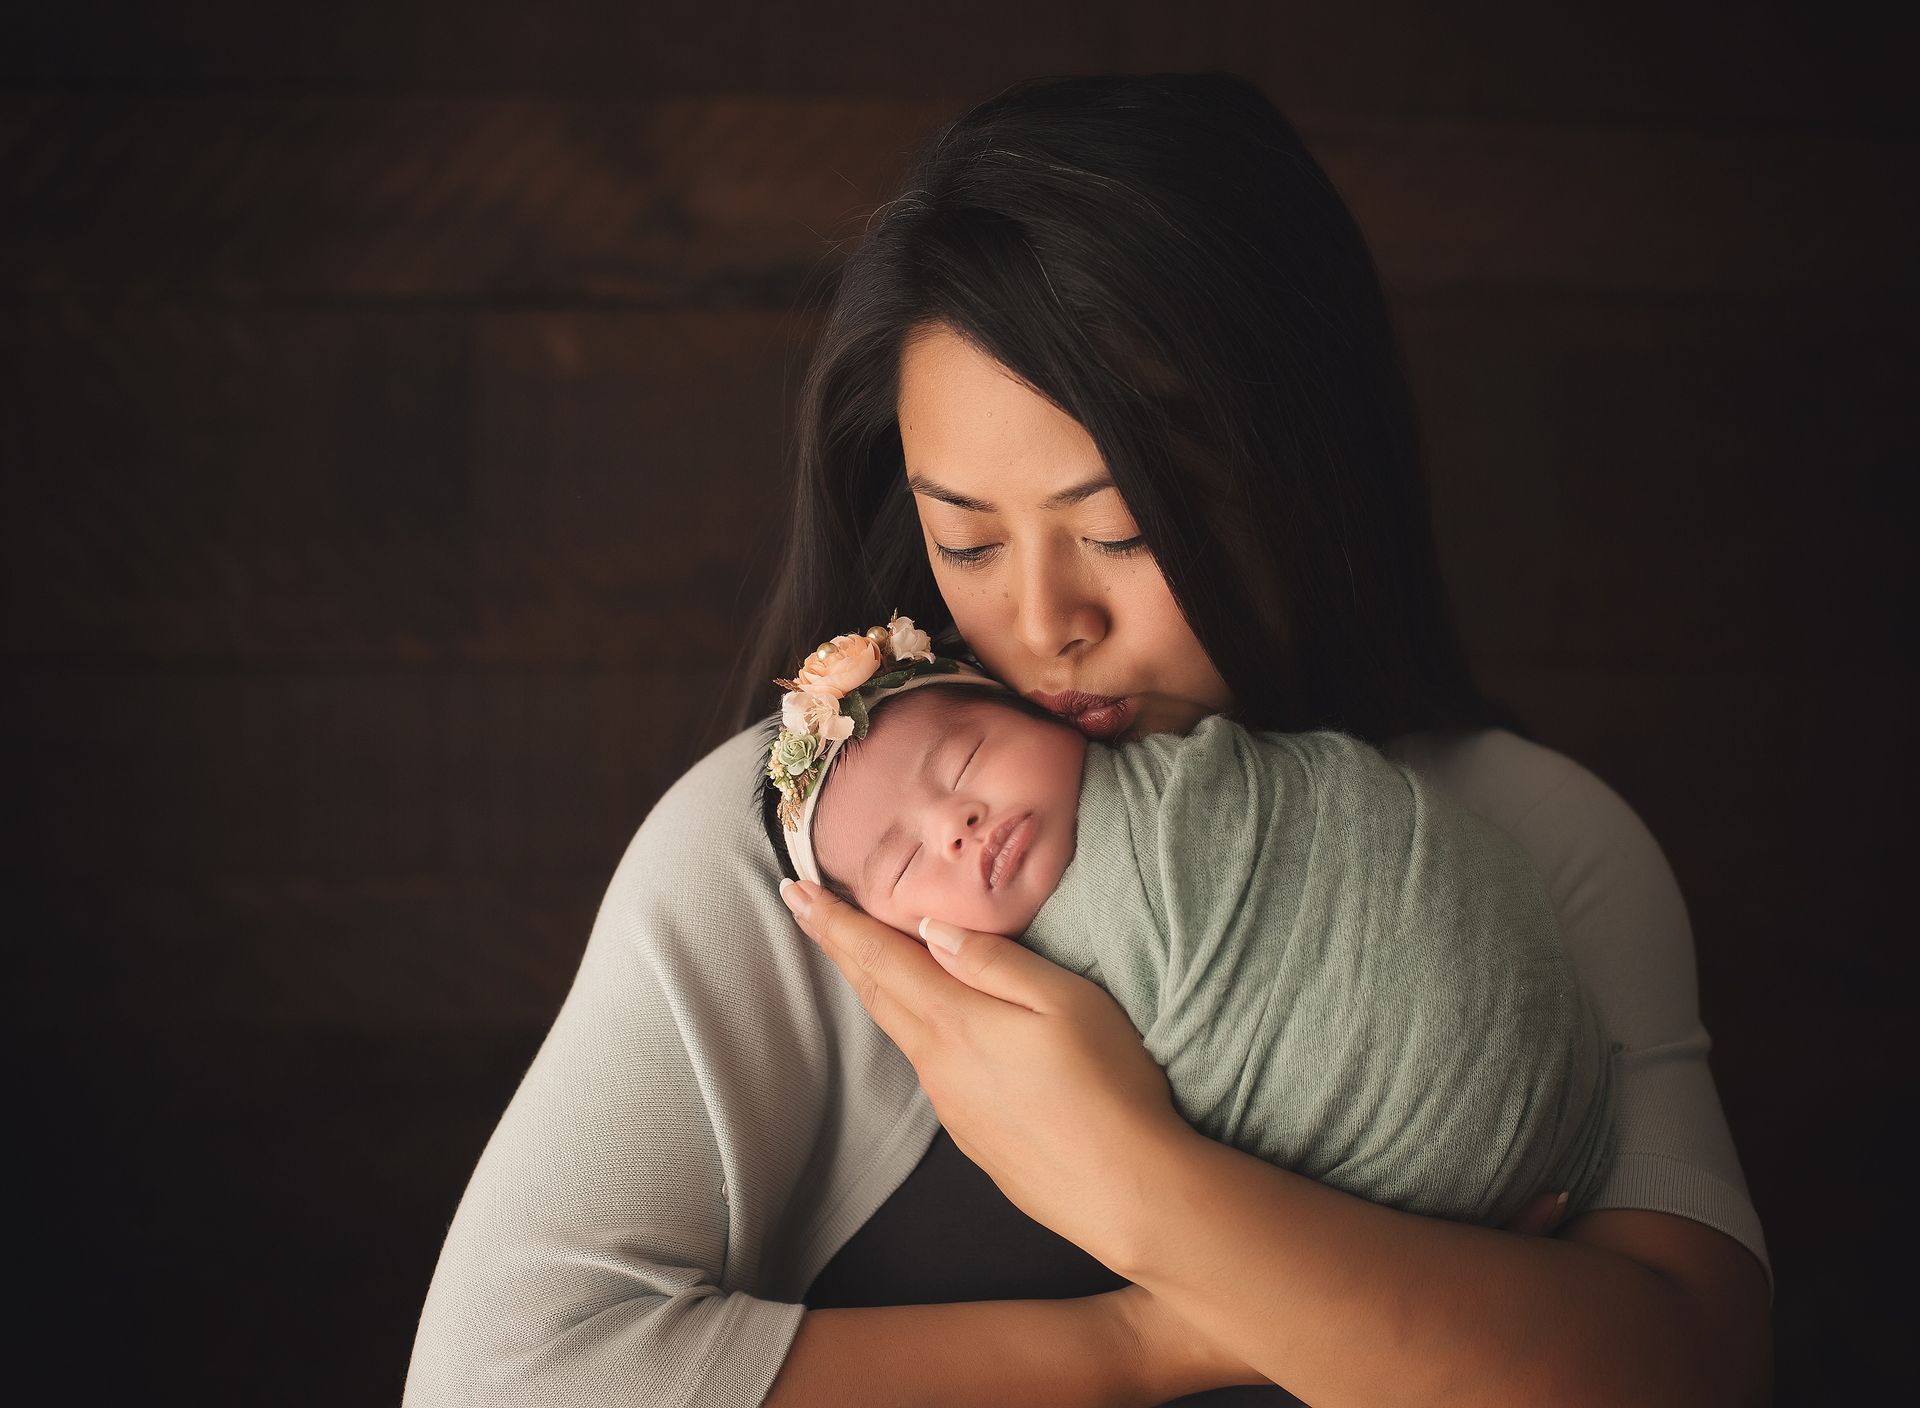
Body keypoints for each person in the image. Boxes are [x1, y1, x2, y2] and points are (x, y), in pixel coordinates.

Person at [405, 72, 1771, 1407]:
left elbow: (1692, 1371)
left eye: (1119, 531)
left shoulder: (1531, 837)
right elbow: (496, 1376)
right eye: (969, 540)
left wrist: (1143, 1189)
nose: (1046, 620)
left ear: (1300, 473)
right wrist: (1147, 1348)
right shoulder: (815, 860)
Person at [757, 640, 1616, 1229]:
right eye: (905, 865)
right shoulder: (1003, 1008)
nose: (956, 824)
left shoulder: (1192, 768)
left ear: (1045, 714)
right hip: (1408, 1191)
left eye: (967, 760)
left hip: (1537, 1028)